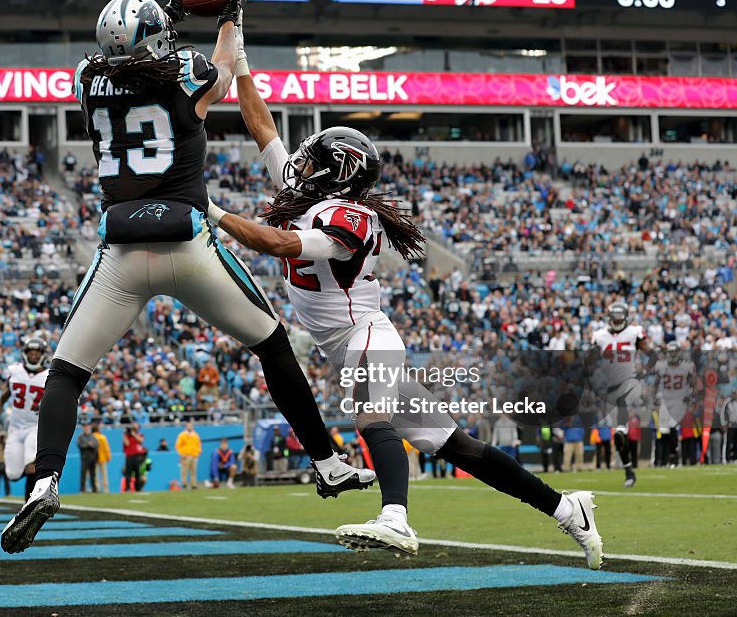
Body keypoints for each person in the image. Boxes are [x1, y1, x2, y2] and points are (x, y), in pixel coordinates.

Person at [1, 0, 373, 554]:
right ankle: (326, 462)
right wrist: (226, 16)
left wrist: (165, 20)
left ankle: (44, 480)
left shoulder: (86, 80)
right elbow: (223, 70)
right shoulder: (187, 72)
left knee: (67, 372)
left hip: (121, 252)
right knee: (272, 345)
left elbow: (133, 62)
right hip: (190, 242)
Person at [203, 34, 603, 570]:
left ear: (335, 172)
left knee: (372, 418)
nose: (302, 158)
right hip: (344, 344)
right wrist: (243, 57)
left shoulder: (350, 218)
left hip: (366, 334)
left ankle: (395, 518)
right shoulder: (307, 193)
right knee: (457, 447)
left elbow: (276, 242)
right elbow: (262, 126)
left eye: (316, 156)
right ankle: (565, 507)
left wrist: (205, 206)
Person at [589, 301, 648, 487]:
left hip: (630, 381)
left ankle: (623, 428)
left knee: (622, 401)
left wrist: (644, 368)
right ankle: (629, 471)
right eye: (614, 317)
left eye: (619, 317)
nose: (616, 320)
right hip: (610, 386)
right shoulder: (599, 336)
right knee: (618, 435)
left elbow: (650, 352)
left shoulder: (634, 332)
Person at [0, 337, 49, 501]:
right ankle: (42, 477)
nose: (34, 356)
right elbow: (2, 399)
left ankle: (29, 504)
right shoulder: (15, 372)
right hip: (15, 427)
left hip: (35, 425)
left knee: (31, 463)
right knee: (13, 474)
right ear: (25, 353)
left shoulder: (48, 376)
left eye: (37, 353)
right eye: (31, 352)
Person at [175, 422, 201, 490]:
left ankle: (194, 484)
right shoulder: (182, 435)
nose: (190, 427)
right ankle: (184, 484)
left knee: (193, 471)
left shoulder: (195, 435)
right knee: (184, 471)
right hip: (186, 455)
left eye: (191, 426)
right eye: (188, 426)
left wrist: (198, 453)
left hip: (194, 455)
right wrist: (182, 454)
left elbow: (198, 444)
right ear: (186, 427)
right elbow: (178, 445)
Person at [123, 426, 146, 492]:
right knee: (128, 473)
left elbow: (141, 441)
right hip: (129, 456)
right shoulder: (127, 436)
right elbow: (127, 443)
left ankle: (137, 488)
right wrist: (124, 436)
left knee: (137, 473)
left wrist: (133, 434)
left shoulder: (139, 435)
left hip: (137, 456)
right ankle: (127, 488)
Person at [77, 423, 99, 493]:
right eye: (85, 427)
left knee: (93, 475)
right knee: (83, 474)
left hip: (92, 458)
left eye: (87, 427)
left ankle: (94, 489)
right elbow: (80, 445)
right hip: (84, 458)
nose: (86, 429)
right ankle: (82, 489)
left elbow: (96, 445)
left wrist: (91, 445)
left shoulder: (92, 436)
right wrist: (88, 445)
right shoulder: (80, 437)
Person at [93, 424, 111, 493]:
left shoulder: (92, 437)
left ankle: (97, 488)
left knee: (96, 475)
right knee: (104, 475)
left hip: (94, 459)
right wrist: (108, 457)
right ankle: (106, 489)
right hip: (102, 458)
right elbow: (106, 448)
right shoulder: (102, 437)